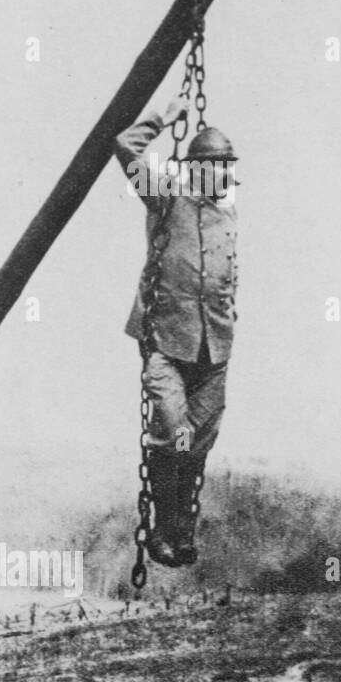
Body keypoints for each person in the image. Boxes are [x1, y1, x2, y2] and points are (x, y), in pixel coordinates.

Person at [115, 94, 241, 568]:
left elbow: (229, 276)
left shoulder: (229, 214)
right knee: (173, 433)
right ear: (198, 170)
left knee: (197, 445)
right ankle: (160, 530)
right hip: (167, 345)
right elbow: (125, 146)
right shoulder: (165, 197)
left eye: (230, 167)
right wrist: (163, 118)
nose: (227, 177)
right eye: (219, 168)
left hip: (214, 352)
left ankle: (177, 534)